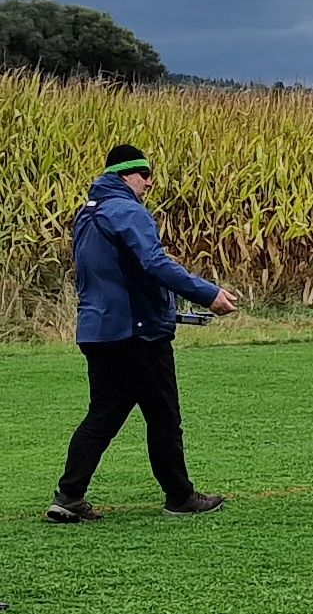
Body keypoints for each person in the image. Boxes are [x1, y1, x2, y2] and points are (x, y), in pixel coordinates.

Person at [46, 145, 238, 523]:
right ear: (125, 175)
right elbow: (154, 262)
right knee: (164, 416)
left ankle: (68, 497)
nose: (149, 183)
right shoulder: (128, 211)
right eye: (144, 174)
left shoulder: (87, 214)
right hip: (138, 335)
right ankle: (180, 497)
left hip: (97, 331)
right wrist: (207, 293)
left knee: (103, 415)